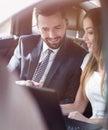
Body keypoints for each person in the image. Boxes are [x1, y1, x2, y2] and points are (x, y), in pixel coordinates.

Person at [8, 6, 86, 104]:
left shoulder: (80, 57)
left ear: (66, 23)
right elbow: (5, 79)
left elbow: (71, 101)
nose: (52, 35)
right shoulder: (25, 44)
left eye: (57, 27)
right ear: (37, 27)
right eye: (45, 29)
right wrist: (22, 85)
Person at [61, 8, 107, 127]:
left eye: (90, 32)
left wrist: (88, 122)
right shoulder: (88, 61)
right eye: (84, 32)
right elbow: (78, 106)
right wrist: (47, 109)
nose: (84, 38)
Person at [0, 61, 49, 130]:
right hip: (18, 103)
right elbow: (7, 78)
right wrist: (23, 84)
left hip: (45, 111)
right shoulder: (22, 50)